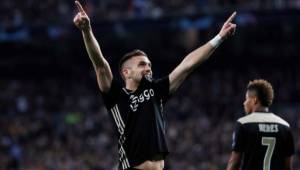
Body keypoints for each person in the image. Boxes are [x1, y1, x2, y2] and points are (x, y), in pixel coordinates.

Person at [73, 1, 236, 169]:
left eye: (149, 64)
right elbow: (100, 65)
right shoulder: (116, 96)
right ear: (126, 73)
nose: (148, 68)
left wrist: (219, 38)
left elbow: (187, 65)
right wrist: (86, 30)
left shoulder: (156, 90)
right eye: (142, 64)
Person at [226, 79, 295, 170]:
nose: (244, 103)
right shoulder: (285, 126)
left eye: (246, 99)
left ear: (254, 100)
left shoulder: (243, 124)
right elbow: (288, 167)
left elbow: (234, 163)